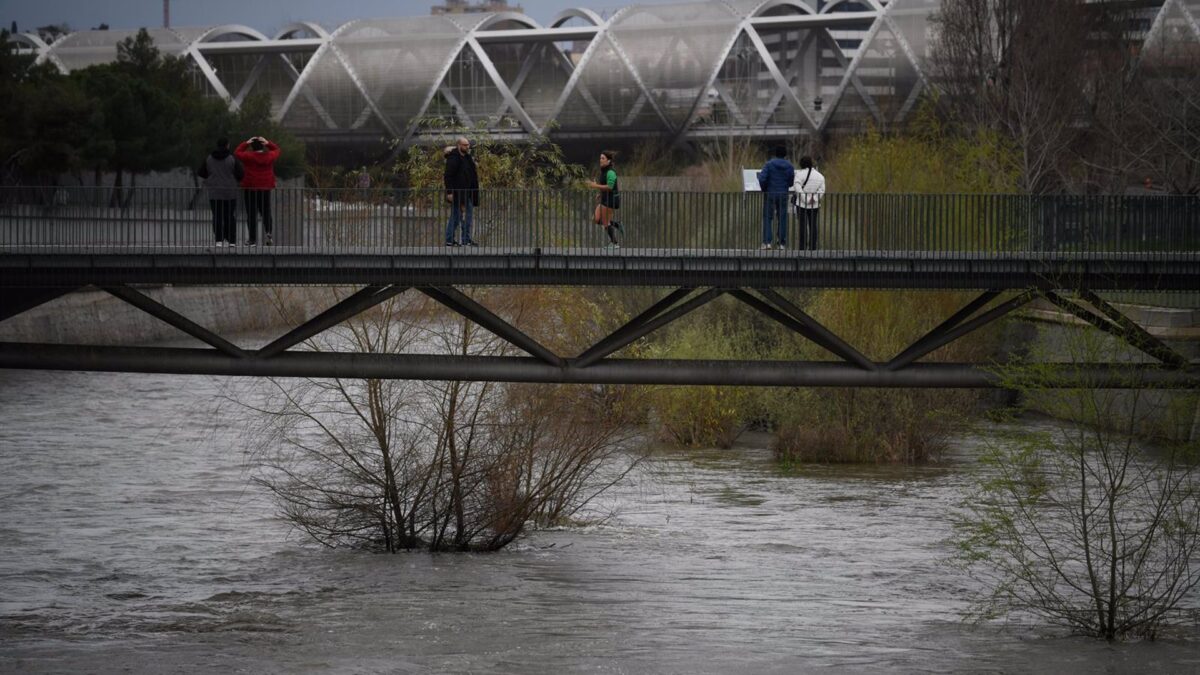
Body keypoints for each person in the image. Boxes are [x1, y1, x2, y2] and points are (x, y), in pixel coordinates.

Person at [197, 137, 243, 247]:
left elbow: (201, 172)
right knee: (229, 216)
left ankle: (219, 240)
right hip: (230, 192)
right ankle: (231, 240)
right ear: (227, 145)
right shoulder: (232, 159)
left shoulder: (209, 158)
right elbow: (241, 174)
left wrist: (211, 177)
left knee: (217, 216)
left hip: (214, 192)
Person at [235, 135, 281, 246]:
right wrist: (268, 142)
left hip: (250, 188)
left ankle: (252, 240)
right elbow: (277, 150)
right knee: (266, 212)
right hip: (265, 188)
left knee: (251, 214)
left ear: (252, 147)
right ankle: (268, 233)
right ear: (262, 146)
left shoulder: (248, 156)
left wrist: (246, 142)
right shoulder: (269, 156)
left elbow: (237, 152)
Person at [443, 136, 479, 247]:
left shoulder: (467, 158)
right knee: (456, 217)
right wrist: (449, 192)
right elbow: (448, 176)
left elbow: (472, 175)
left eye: (468, 145)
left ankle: (466, 240)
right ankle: (449, 240)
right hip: (457, 193)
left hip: (467, 193)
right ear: (459, 145)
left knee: (467, 217)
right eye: (465, 145)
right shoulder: (454, 158)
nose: (467, 147)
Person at [757, 146, 794, 249]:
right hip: (783, 194)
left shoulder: (769, 164)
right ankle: (781, 243)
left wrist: (764, 189)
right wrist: (786, 185)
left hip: (770, 193)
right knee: (782, 218)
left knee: (768, 217)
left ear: (775, 154)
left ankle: (767, 242)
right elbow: (791, 181)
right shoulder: (789, 166)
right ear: (785, 154)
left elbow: (762, 178)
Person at [586, 150, 621, 249]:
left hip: (611, 200)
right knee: (596, 219)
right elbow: (604, 186)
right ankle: (616, 224)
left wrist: (595, 185)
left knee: (605, 223)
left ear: (608, 161)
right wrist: (600, 194)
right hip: (605, 198)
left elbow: (610, 187)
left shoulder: (610, 172)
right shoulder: (604, 171)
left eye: (603, 158)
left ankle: (614, 243)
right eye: (600, 158)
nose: (600, 160)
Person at [793, 155, 826, 251]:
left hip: (801, 204)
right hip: (814, 205)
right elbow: (822, 189)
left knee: (802, 226)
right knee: (813, 226)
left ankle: (802, 248)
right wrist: (814, 198)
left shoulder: (799, 174)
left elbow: (797, 187)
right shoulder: (820, 176)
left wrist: (805, 199)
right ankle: (813, 248)